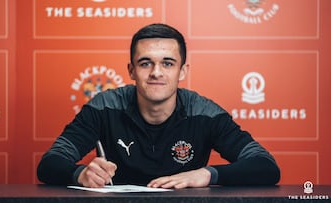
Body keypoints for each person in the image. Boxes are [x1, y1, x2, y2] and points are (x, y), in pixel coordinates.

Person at [37, 23, 280, 189]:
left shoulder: (204, 112)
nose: (156, 73)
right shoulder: (105, 106)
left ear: (182, 71)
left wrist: (207, 174)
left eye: (167, 63)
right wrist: (80, 174)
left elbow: (266, 166)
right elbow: (50, 163)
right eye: (145, 63)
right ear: (131, 70)